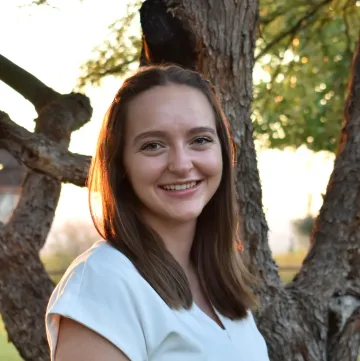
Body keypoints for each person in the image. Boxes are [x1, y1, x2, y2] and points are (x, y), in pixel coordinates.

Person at [45, 64, 270, 361]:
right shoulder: (104, 283)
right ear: (121, 165)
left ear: (223, 152)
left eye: (199, 140)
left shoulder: (220, 285)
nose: (181, 164)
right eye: (153, 145)